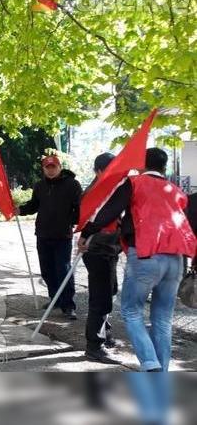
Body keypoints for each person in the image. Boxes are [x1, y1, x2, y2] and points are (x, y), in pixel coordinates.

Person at [79, 148, 196, 372]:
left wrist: (87, 232)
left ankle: (150, 363)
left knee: (132, 311)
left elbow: (110, 211)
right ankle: (161, 373)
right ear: (164, 167)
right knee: (163, 319)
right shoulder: (176, 191)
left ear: (142, 164)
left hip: (146, 254)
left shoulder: (133, 183)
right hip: (176, 259)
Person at [17, 154, 82, 320]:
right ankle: (55, 299)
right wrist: (20, 210)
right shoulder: (40, 186)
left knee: (63, 269)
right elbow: (34, 205)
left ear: (59, 167)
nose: (51, 170)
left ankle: (68, 305)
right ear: (44, 169)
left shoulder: (72, 185)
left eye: (53, 167)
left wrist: (70, 221)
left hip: (62, 235)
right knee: (47, 270)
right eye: (47, 167)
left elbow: (79, 207)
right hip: (43, 234)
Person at [81, 153, 123, 365]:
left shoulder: (107, 188)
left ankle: (105, 333)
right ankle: (94, 346)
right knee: (101, 297)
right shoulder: (100, 191)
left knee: (109, 291)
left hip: (106, 249)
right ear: (99, 171)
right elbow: (97, 218)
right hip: (99, 248)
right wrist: (85, 234)